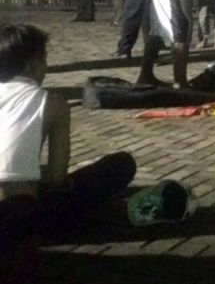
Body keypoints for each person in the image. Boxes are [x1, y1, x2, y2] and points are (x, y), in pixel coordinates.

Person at [0, 24, 136, 263]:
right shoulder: (53, 103)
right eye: (45, 60)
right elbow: (56, 177)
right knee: (119, 165)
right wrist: (32, 174)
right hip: (20, 216)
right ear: (33, 63)